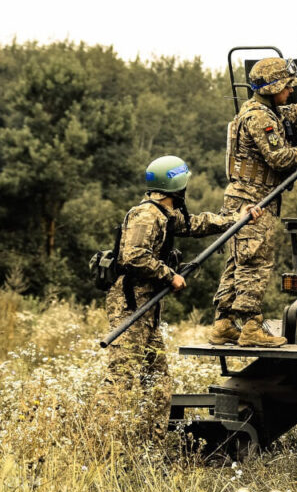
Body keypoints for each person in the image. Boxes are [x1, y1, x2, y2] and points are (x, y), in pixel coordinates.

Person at [98, 154, 259, 440]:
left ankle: (152, 442)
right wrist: (168, 275)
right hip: (130, 307)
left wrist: (238, 218)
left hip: (147, 310)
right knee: (121, 379)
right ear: (177, 185)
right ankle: (102, 443)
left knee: (158, 382)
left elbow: (196, 224)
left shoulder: (166, 215)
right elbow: (132, 256)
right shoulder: (146, 215)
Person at [209, 57, 297, 348]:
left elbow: (294, 112)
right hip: (253, 201)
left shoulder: (265, 110)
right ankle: (252, 328)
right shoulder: (261, 118)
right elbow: (279, 158)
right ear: (272, 87)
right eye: (287, 86)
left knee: (237, 263)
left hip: (245, 199)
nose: (291, 91)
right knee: (254, 265)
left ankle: (223, 324)